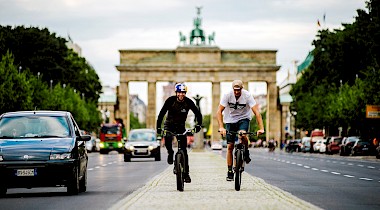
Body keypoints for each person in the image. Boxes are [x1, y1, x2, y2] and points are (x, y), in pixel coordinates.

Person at [217, 80, 265, 181]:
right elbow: (219, 112)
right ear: (232, 89)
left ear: (242, 89)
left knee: (242, 134)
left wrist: (261, 128)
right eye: (235, 90)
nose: (236, 92)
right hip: (229, 120)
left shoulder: (247, 95)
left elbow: (256, 112)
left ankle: (246, 151)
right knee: (230, 146)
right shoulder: (227, 95)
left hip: (244, 118)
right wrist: (221, 127)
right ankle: (230, 171)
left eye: (238, 90)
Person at [156, 83, 203, 183]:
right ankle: (170, 152)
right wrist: (158, 128)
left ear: (185, 93)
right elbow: (161, 114)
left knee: (184, 151)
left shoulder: (189, 102)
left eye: (183, 93)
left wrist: (198, 125)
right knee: (167, 137)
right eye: (179, 92)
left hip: (181, 127)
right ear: (176, 93)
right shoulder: (170, 100)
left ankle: (186, 174)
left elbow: (198, 114)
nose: (181, 94)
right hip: (169, 125)